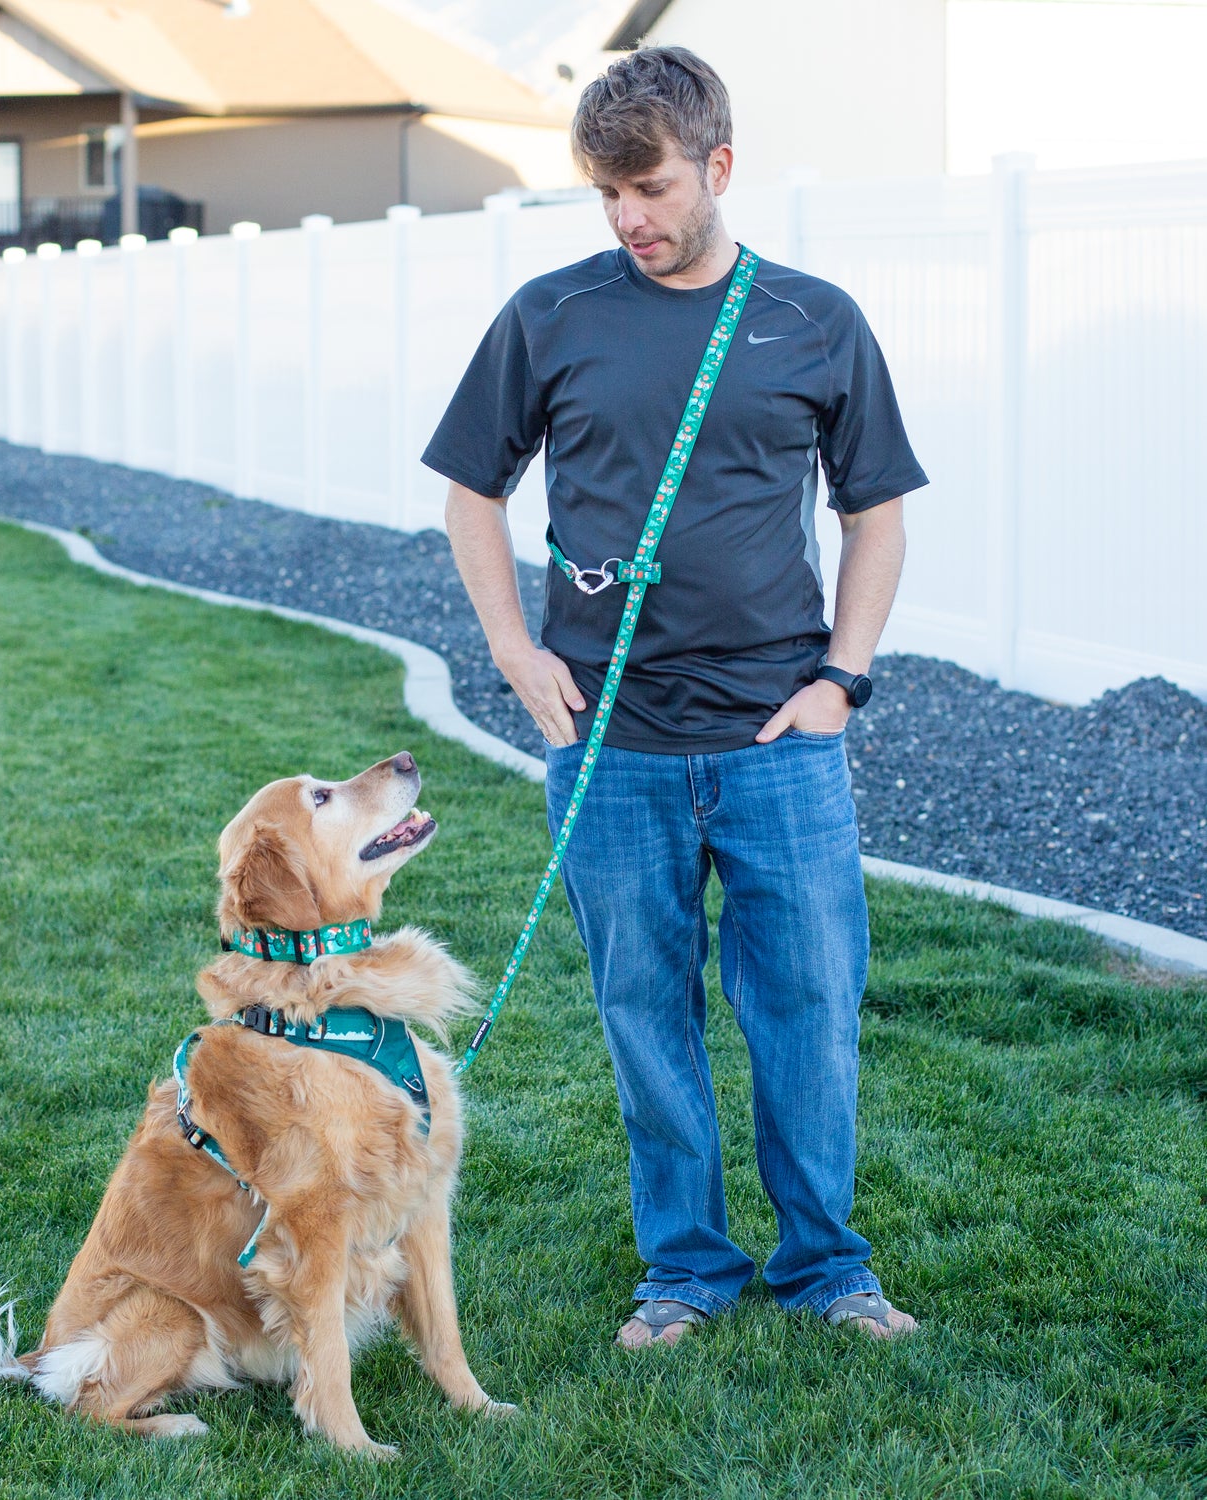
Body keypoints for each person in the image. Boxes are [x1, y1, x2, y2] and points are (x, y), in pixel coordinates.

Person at [421, 46, 926, 1345]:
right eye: (605, 194)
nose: (629, 217)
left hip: (779, 742)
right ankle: (687, 1269)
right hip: (613, 750)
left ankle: (826, 1266)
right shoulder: (553, 315)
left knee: (807, 1016)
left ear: (719, 166)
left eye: (647, 186)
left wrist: (841, 682)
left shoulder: (812, 320)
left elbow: (877, 515)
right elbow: (471, 492)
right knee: (647, 1018)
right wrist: (515, 651)